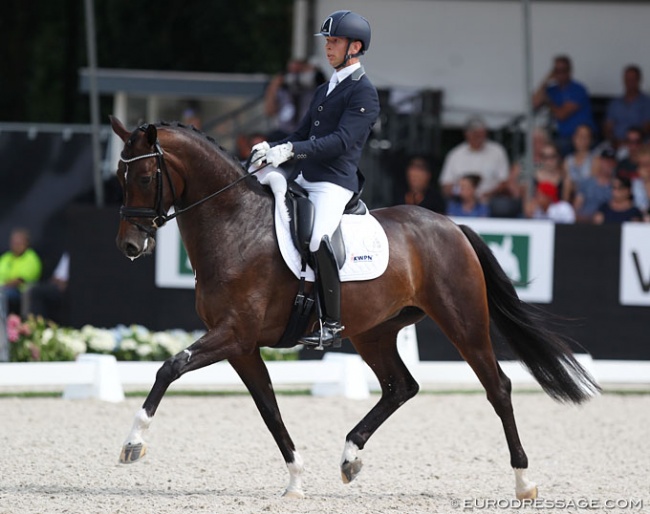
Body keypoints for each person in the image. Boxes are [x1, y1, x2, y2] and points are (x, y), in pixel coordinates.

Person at [251, 10, 380, 347]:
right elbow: (301, 133)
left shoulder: (364, 93)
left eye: (334, 41)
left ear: (355, 47)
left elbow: (340, 142)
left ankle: (331, 323)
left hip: (334, 182)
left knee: (316, 238)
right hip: (305, 177)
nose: (328, 47)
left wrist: (291, 150)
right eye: (327, 41)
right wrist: (270, 147)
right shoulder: (325, 90)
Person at [532, 55, 595, 157]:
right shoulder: (553, 89)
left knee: (554, 149)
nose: (560, 74)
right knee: (539, 144)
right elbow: (534, 103)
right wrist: (546, 79)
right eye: (557, 70)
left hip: (578, 136)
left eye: (563, 70)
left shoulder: (578, 89)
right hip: (561, 136)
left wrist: (548, 102)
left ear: (570, 71)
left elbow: (561, 114)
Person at [438, 116, 510, 201]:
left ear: (485, 133)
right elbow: (446, 184)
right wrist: (461, 194)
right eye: (474, 133)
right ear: (466, 134)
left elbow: (504, 181)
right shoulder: (455, 154)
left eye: (480, 133)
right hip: (460, 202)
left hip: (490, 202)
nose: (478, 136)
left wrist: (488, 195)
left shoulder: (497, 151)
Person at [263, 58, 326, 141]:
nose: (295, 77)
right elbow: (269, 111)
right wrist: (273, 86)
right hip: (285, 131)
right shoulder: (283, 90)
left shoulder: (315, 90)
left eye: (299, 72)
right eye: (292, 72)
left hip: (307, 132)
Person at [603, 65, 650, 150]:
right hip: (615, 144)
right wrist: (614, 141)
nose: (630, 82)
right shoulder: (615, 103)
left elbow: (646, 127)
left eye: (633, 79)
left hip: (637, 144)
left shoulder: (646, 102)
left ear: (639, 80)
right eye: (627, 79)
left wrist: (630, 142)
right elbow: (608, 127)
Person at [0, 228, 42, 315]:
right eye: (14, 243)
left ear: (26, 243)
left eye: (19, 243)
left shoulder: (31, 258)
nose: (16, 245)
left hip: (18, 292)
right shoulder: (6, 257)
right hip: (3, 289)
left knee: (3, 296)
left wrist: (2, 286)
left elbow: (19, 280)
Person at [572, 148, 616, 223]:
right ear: (600, 161)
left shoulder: (616, 186)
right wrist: (590, 219)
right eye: (605, 161)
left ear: (615, 163)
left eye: (611, 161)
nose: (608, 164)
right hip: (584, 223)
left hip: (608, 225)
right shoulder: (586, 183)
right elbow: (576, 208)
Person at [24, 252, 69, 323]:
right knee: (34, 290)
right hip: (55, 285)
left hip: (69, 287)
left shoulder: (30, 257)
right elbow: (56, 275)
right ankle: (36, 325)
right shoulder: (64, 254)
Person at [631, 143, 650, 216]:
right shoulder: (636, 183)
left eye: (648, 164)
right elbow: (642, 207)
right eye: (643, 165)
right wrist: (646, 182)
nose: (647, 169)